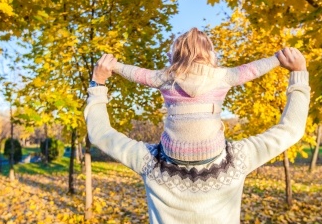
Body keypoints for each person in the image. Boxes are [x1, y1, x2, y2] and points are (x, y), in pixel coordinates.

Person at [84, 47, 310, 224]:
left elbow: (100, 133)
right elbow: (291, 129)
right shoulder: (236, 161)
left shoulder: (150, 163)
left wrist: (98, 83)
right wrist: (298, 74)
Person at [111, 28, 282, 164]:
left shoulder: (166, 77)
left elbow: (137, 74)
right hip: (212, 151)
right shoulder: (222, 76)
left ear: (177, 54)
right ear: (209, 53)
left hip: (173, 152)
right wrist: (277, 59)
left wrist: (115, 65)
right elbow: (252, 69)